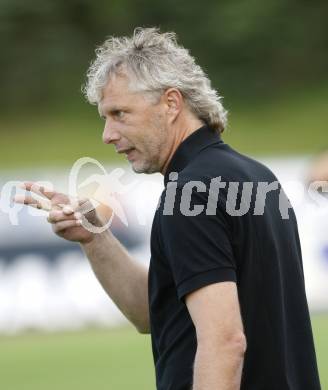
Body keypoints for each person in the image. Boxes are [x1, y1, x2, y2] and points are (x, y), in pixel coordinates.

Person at [15, 28, 321, 390]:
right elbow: (153, 312)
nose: (107, 134)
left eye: (119, 113)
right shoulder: (258, 176)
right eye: (105, 118)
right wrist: (93, 235)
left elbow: (225, 341)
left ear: (172, 103)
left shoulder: (189, 195)